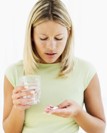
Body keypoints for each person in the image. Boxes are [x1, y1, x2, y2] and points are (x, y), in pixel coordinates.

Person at [3, 0, 106, 133]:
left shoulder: (85, 71)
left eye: (58, 38)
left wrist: (77, 113)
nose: (51, 47)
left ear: (68, 34)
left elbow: (99, 129)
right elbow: (10, 131)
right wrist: (18, 107)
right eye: (43, 38)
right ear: (32, 35)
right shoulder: (14, 73)